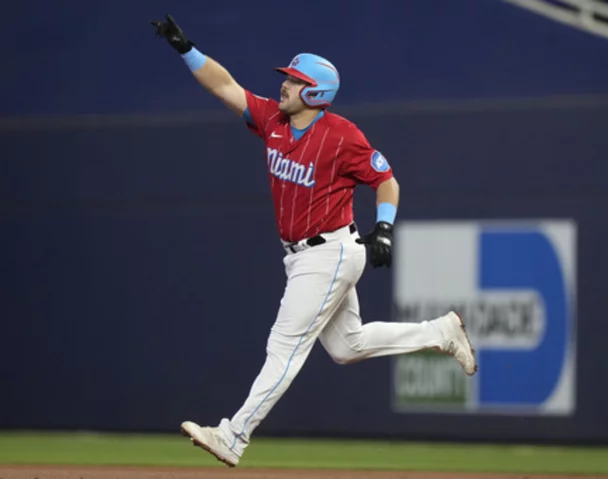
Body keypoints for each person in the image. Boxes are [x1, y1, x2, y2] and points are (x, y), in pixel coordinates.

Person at [150, 14, 477, 468]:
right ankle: (440, 331)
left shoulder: (342, 136)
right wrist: (185, 47)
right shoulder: (273, 119)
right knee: (348, 347)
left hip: (331, 252)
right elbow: (224, 85)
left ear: (316, 93)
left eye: (294, 80)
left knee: (284, 346)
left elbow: (387, 181)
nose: (284, 85)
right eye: (286, 78)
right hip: (304, 256)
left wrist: (384, 228)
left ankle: (233, 435)